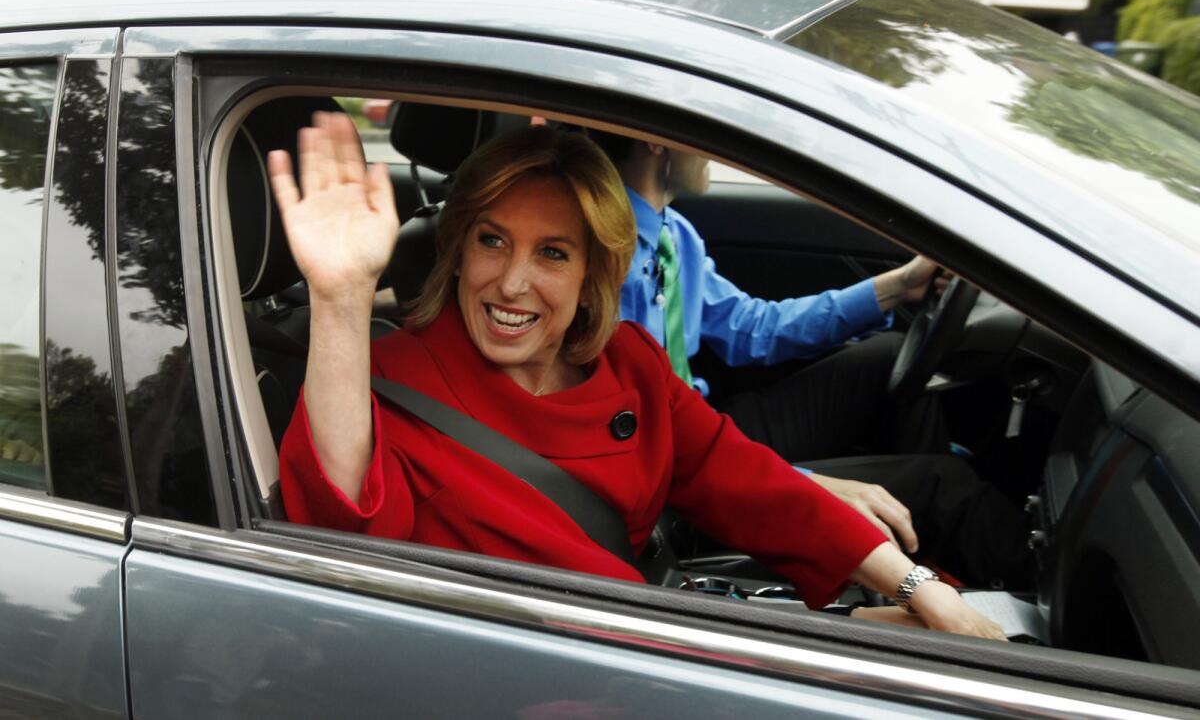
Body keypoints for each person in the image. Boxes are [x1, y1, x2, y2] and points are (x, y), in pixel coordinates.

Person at [268, 112, 1003, 638]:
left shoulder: (628, 359)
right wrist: (340, 295)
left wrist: (920, 586)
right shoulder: (398, 378)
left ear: (594, 272)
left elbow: (747, 478)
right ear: (458, 249)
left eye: (553, 253)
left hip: (659, 626)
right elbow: (341, 525)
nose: (512, 282)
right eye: (492, 241)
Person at [592, 132, 1032, 588]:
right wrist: (806, 483)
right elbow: (640, 432)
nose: (717, 149)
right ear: (657, 141)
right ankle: (1037, 600)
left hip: (700, 421)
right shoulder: (606, 250)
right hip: (674, 462)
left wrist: (897, 287)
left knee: (887, 358)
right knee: (945, 485)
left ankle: (922, 545)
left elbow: (751, 328)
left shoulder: (673, 233)